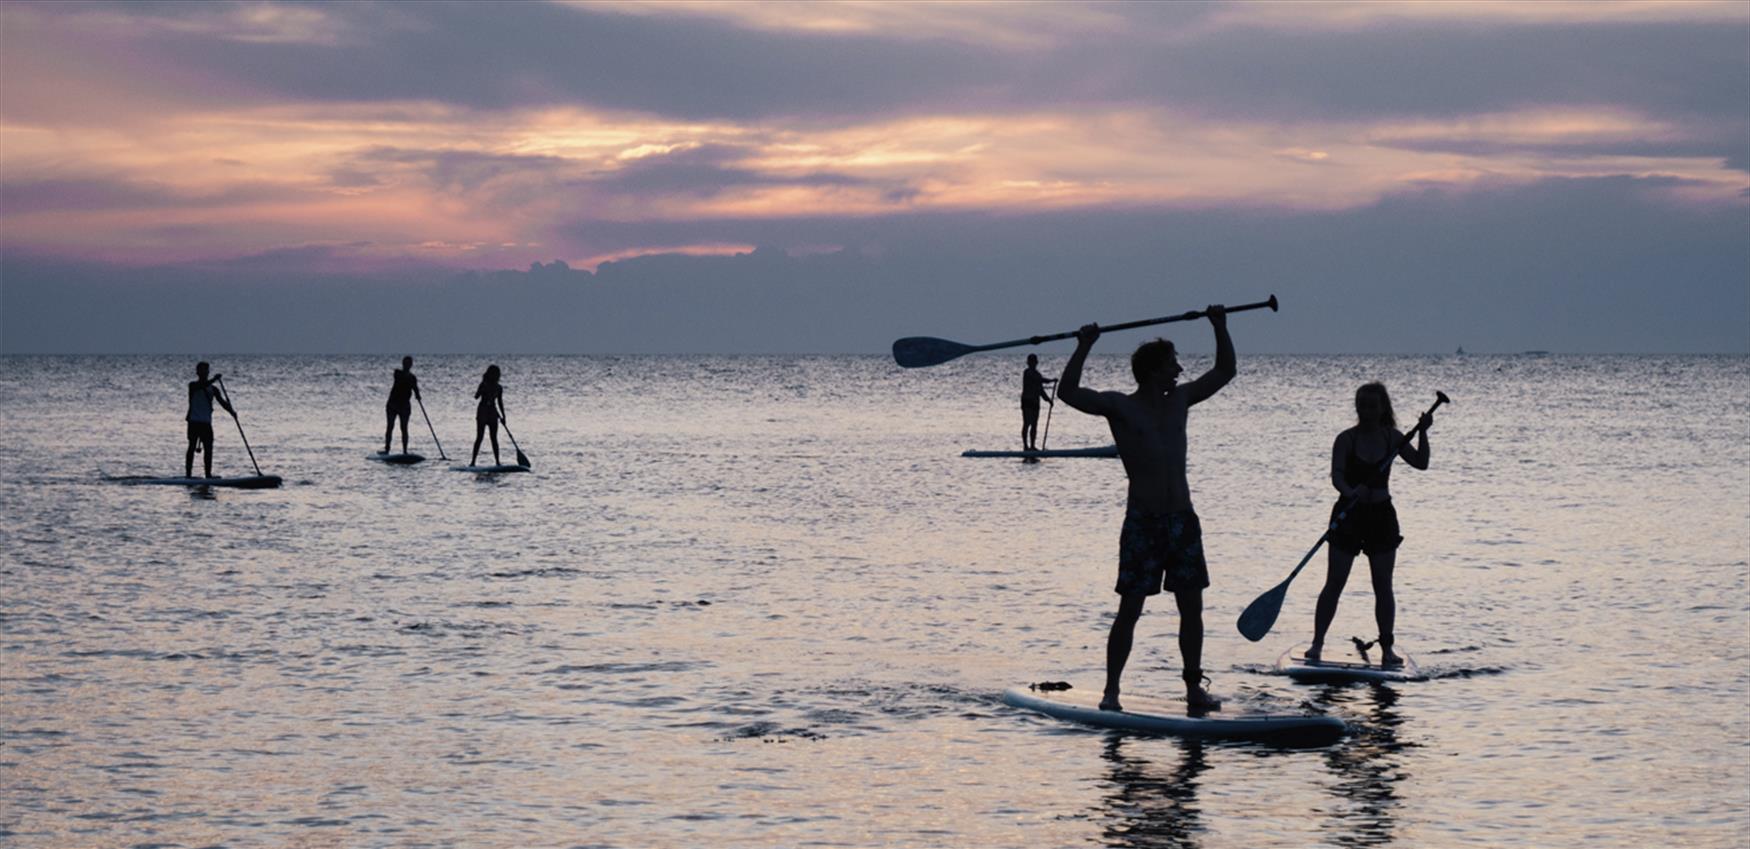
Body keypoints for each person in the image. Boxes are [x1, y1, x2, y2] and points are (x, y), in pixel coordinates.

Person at [1057, 305, 1233, 713]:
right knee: (1130, 609)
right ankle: (1111, 692)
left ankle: (1193, 689)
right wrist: (1085, 346)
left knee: (1192, 609)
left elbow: (1224, 371)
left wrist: (1219, 327)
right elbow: (1068, 393)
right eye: (1172, 363)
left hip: (1183, 521)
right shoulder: (1121, 407)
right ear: (1154, 370)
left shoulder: (1181, 400)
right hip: (1143, 523)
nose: (1179, 369)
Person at [1306, 383, 1431, 667]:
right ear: (1357, 408)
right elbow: (1336, 475)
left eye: (1373, 406)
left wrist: (1423, 431)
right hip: (1349, 515)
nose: (1367, 412)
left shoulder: (1393, 438)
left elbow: (1421, 463)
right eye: (1362, 406)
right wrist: (1350, 492)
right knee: (1335, 582)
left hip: (1381, 517)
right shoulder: (1345, 440)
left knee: (1383, 585)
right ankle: (1317, 644)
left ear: (1382, 408)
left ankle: (1387, 649)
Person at [185, 361, 234, 478]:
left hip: (206, 423)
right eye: (201, 370)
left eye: (206, 370)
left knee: (209, 449)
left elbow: (222, 403)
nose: (204, 373)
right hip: (194, 421)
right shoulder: (193, 386)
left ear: (208, 372)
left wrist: (232, 412)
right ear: (197, 372)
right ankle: (188, 475)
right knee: (191, 447)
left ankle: (208, 475)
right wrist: (214, 379)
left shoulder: (214, 389)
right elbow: (201, 386)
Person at [383, 356, 422, 455]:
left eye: (409, 363)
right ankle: (387, 449)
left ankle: (405, 451)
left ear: (411, 365)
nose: (407, 365)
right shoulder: (397, 373)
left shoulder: (413, 378)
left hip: (404, 406)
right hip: (393, 404)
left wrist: (418, 395)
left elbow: (416, 390)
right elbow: (402, 378)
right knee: (390, 426)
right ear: (403, 364)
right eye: (405, 363)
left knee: (404, 428)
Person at [470, 364, 505, 466]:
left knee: (494, 438)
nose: (498, 376)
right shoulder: (483, 384)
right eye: (497, 374)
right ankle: (473, 462)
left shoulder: (499, 388)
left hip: (493, 412)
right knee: (479, 437)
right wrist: (481, 389)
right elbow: (476, 397)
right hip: (483, 411)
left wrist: (503, 416)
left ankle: (498, 462)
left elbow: (500, 402)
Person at [1020, 354, 1057, 451]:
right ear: (1028, 363)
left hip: (1035, 402)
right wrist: (1051, 380)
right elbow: (1039, 380)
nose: (1032, 364)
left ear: (1036, 363)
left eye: (1034, 362)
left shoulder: (1038, 374)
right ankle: (1025, 446)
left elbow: (1041, 391)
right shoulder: (1027, 373)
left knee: (1034, 424)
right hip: (1027, 401)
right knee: (1027, 423)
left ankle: (1032, 446)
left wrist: (1049, 400)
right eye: (1030, 362)